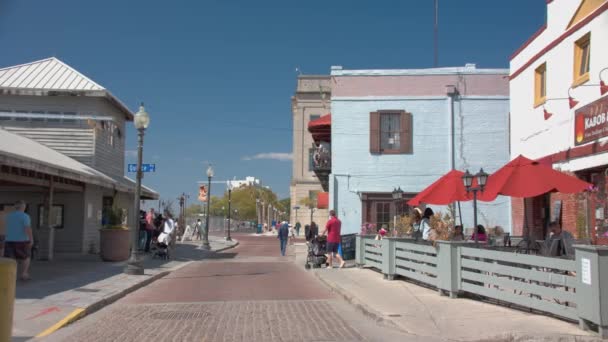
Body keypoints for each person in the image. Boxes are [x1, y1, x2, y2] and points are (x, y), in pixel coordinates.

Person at [4, 200, 33, 281]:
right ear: (23, 207)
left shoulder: (8, 216)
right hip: (22, 240)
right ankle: (24, 274)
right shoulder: (25, 216)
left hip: (9, 240)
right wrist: (31, 239)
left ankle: (10, 275)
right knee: (26, 257)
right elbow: (27, 228)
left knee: (11, 259)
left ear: (15, 207)